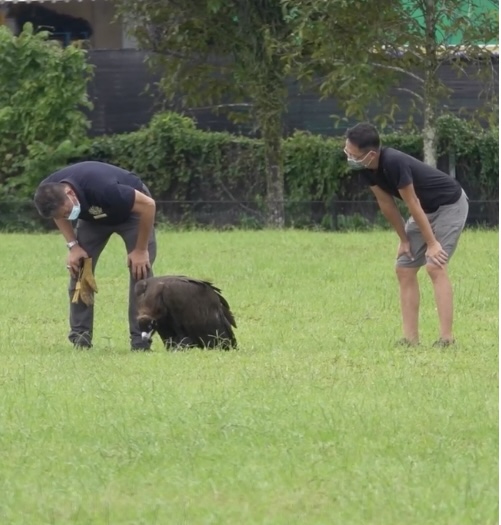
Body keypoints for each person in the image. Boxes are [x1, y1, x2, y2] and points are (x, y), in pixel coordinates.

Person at [344, 123, 469, 347]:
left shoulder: (394, 162)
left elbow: (412, 203)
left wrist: (432, 243)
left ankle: (447, 339)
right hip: (425, 210)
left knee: (435, 265)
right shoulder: (365, 169)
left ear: (371, 154)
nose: (349, 157)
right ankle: (410, 340)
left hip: (450, 204)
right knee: (404, 268)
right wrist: (403, 239)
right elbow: (386, 204)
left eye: (352, 154)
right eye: (347, 151)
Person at [33, 160, 157, 351]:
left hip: (133, 213)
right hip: (93, 218)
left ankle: (141, 341)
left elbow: (148, 205)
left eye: (68, 212)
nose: (67, 216)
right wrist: (73, 246)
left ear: (70, 193)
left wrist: (140, 250)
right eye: (63, 215)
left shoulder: (104, 188)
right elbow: (58, 214)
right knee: (81, 268)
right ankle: (80, 339)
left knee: (140, 273)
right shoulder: (49, 191)